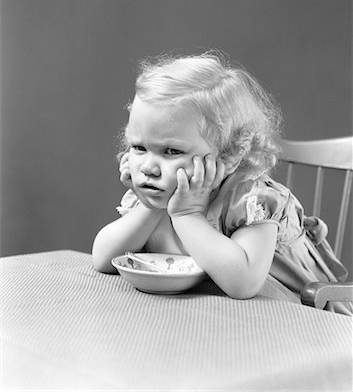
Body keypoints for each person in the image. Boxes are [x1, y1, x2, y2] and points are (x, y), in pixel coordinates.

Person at [92, 51, 351, 315]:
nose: (148, 167)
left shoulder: (249, 200)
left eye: (171, 151)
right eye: (139, 147)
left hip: (296, 321)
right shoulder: (156, 194)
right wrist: (149, 208)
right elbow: (103, 259)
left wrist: (187, 215)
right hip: (211, 321)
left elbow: (243, 284)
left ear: (227, 155)